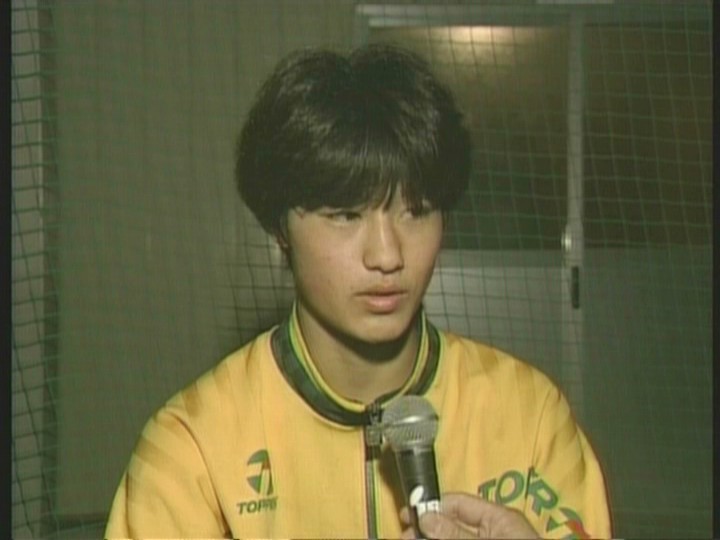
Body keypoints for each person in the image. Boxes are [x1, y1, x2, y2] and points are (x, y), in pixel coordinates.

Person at [105, 43, 611, 539]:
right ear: (280, 228)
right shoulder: (191, 449)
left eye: (417, 211)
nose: (388, 255)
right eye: (345, 215)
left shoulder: (530, 415)